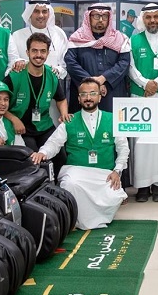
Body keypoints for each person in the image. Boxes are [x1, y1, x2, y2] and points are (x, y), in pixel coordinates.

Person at [31, 78, 128, 230]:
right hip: (76, 171)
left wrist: (117, 171)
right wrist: (42, 153)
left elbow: (123, 148)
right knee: (70, 184)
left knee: (114, 196)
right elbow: (54, 143)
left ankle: (91, 218)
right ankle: (74, 221)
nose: (88, 98)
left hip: (104, 173)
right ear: (78, 98)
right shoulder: (69, 121)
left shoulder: (113, 119)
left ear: (100, 97)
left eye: (92, 93)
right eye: (84, 94)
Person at [128, 3, 158, 203]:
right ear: (143, 20)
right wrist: (144, 83)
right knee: (141, 143)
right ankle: (142, 186)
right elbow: (130, 66)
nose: (153, 21)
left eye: (156, 17)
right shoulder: (134, 39)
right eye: (148, 17)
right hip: (141, 98)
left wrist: (156, 83)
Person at [4, 32, 70, 172]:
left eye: (42, 51)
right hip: (21, 128)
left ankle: (57, 185)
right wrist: (14, 119)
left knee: (60, 157)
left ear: (48, 53)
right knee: (33, 159)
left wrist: (64, 113)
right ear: (27, 52)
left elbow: (61, 99)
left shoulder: (52, 75)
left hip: (44, 126)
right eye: (34, 51)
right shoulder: (15, 75)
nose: (38, 55)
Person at [65, 3, 130, 113]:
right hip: (84, 93)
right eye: (96, 16)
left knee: (111, 121)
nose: (100, 20)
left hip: (112, 92)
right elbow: (71, 64)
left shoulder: (119, 38)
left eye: (104, 16)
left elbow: (124, 63)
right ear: (89, 17)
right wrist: (92, 83)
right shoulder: (77, 38)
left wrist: (103, 78)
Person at [12, 0, 69, 80]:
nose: (41, 15)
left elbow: (64, 64)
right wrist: (18, 62)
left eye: (44, 12)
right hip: (25, 82)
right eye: (36, 11)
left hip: (53, 81)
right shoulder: (17, 35)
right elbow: (12, 61)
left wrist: (58, 70)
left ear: (49, 14)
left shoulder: (59, 34)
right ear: (30, 13)